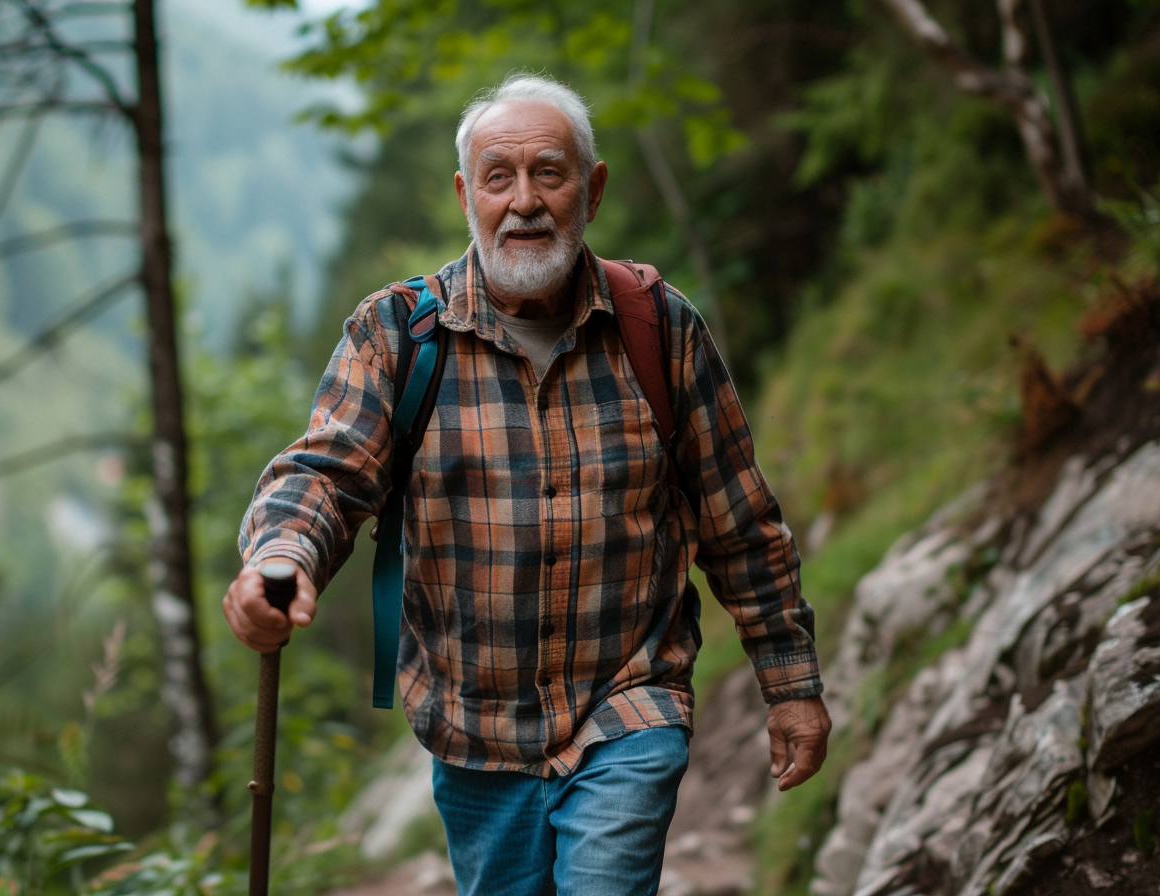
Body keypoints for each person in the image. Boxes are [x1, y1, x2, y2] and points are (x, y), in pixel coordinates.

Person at [224, 73, 830, 896]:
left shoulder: (660, 328)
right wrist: (280, 558)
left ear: (594, 188)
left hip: (630, 703)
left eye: (550, 173)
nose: (524, 202)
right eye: (498, 178)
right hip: (476, 732)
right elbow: (326, 475)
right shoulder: (397, 335)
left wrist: (790, 683)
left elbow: (739, 519)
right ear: (465, 194)